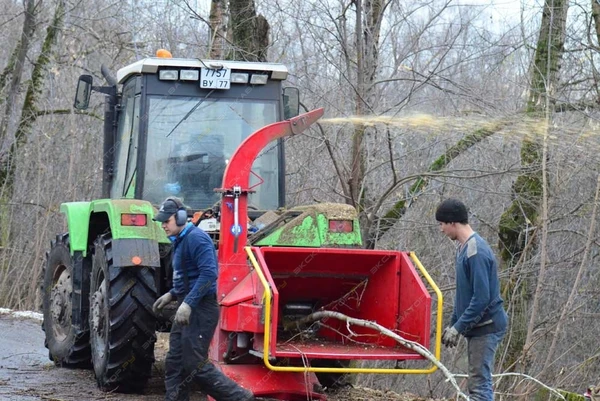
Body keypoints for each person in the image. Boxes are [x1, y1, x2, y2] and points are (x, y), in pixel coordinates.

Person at [152, 197, 254, 401]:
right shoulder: (179, 241)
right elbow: (190, 276)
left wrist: (188, 303)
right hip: (187, 305)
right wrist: (172, 294)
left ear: (181, 217)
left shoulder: (197, 239)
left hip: (201, 309)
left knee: (194, 365)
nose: (163, 225)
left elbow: (209, 275)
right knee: (175, 362)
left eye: (166, 221)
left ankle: (241, 398)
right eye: (161, 221)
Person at [435, 198, 508, 401]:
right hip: (478, 326)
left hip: (488, 326)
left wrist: (458, 328)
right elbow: (465, 295)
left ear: (452, 222)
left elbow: (481, 299)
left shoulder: (476, 252)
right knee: (476, 382)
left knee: (479, 385)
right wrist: (453, 324)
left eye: (441, 224)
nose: (441, 230)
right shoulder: (464, 248)